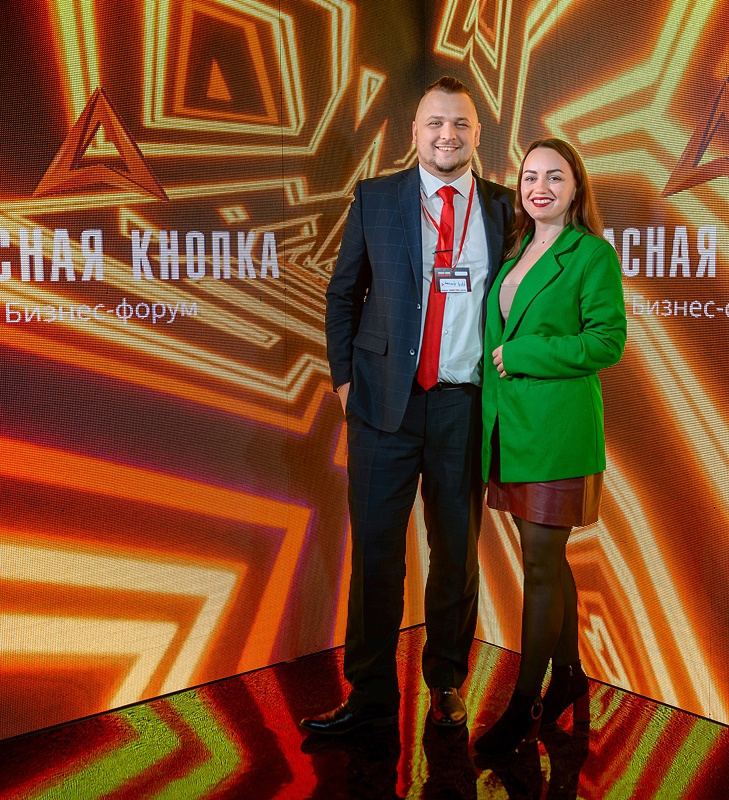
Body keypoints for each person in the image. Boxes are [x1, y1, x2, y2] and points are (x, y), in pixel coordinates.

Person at [305, 76, 515, 735]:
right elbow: (343, 295)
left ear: (477, 135)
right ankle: (369, 693)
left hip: (463, 407)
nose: (447, 134)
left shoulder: (505, 208)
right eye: (435, 123)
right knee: (375, 553)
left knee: (455, 554)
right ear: (415, 132)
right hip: (382, 408)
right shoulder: (375, 198)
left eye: (459, 124)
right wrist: (346, 385)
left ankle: (446, 682)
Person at [472, 138, 626, 756]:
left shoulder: (590, 254)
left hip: (558, 436)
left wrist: (525, 354)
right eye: (530, 177)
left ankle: (525, 703)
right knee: (546, 561)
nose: (540, 187)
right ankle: (569, 676)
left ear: (576, 187)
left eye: (554, 177)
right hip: (511, 431)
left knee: (540, 565)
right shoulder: (514, 251)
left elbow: (607, 342)